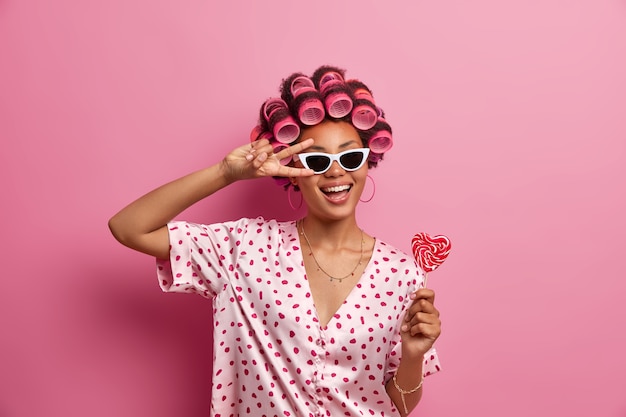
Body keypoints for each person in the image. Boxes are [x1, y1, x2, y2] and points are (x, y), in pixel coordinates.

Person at [109, 65, 442, 417]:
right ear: (292, 172)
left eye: (349, 156)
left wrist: (413, 355)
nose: (334, 171)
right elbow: (129, 227)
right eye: (316, 160)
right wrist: (225, 173)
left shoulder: (403, 274)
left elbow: (401, 405)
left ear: (366, 163)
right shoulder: (243, 249)